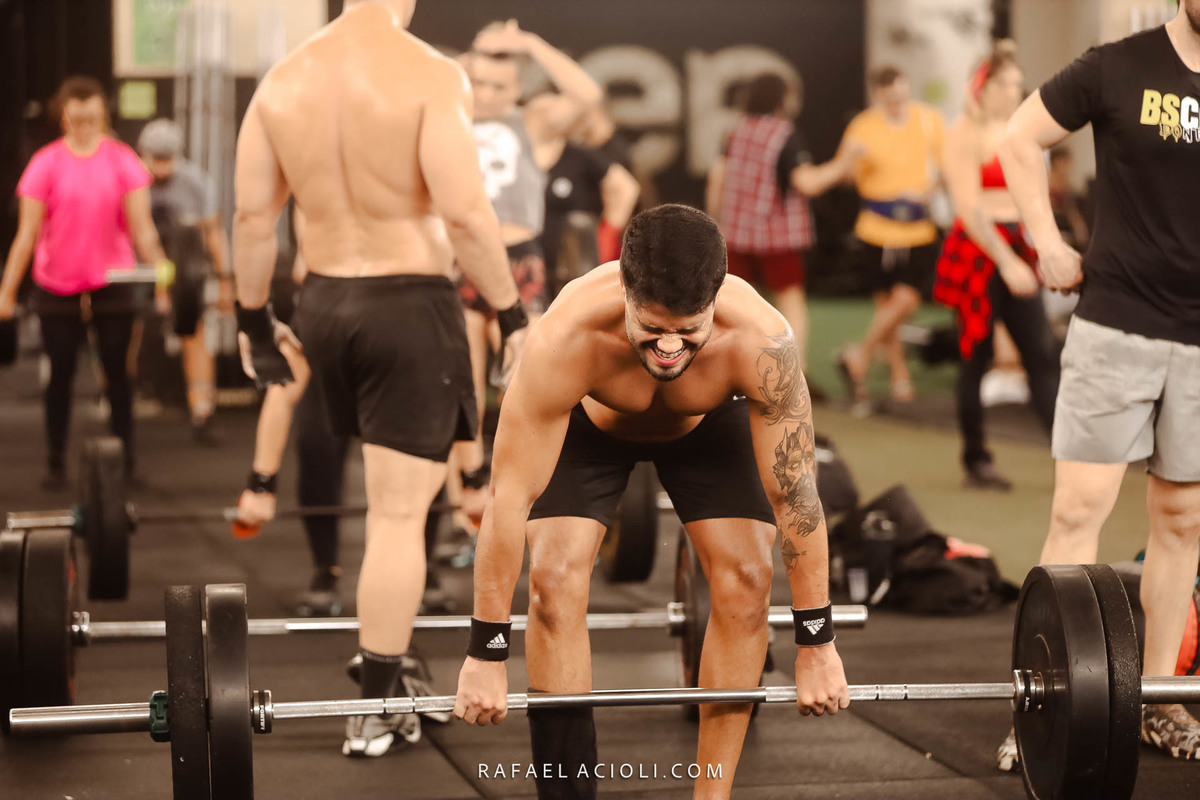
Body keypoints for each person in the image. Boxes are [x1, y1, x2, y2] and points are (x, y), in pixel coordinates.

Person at [453, 205, 850, 800]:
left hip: (707, 423)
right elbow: (507, 500)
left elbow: (797, 496)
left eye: (688, 330)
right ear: (625, 289)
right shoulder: (564, 339)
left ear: (715, 298)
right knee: (553, 582)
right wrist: (486, 651)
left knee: (748, 578)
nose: (668, 347)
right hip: (588, 426)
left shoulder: (761, 343)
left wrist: (817, 641)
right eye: (651, 327)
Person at [230, 0, 526, 758]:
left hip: (324, 302)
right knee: (397, 515)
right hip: (407, 305)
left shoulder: (283, 79)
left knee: (396, 502)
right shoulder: (430, 73)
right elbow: (465, 214)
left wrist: (254, 322)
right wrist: (512, 315)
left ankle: (389, 658)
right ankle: (374, 704)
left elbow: (253, 220)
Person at [997, 1, 1200, 766]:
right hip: (1117, 325)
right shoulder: (1119, 66)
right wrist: (1046, 244)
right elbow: (1019, 138)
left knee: (1182, 521)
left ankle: (1157, 700)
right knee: (1078, 510)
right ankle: (1040, 704)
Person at [453, 19, 604, 490]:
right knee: (462, 377)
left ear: (517, 88)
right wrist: (476, 51)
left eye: (498, 86)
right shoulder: (447, 114)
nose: (486, 94)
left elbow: (587, 95)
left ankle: (525, 481)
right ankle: (468, 487)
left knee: (528, 374)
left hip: (518, 258)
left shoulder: (531, 122)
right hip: (462, 259)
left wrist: (531, 44)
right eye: (478, 82)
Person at [0, 76, 171, 487]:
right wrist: (6, 293)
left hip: (112, 283)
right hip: (56, 283)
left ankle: (126, 461)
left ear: (102, 116)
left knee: (118, 373)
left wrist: (164, 280)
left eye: (92, 119)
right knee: (59, 374)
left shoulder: (123, 160)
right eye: (76, 120)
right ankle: (56, 462)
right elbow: (26, 234)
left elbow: (143, 229)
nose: (84, 127)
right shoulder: (45, 163)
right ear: (64, 117)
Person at [933, 42, 1059, 491]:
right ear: (981, 88)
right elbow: (968, 209)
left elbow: (1036, 198)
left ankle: (1069, 458)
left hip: (1019, 246)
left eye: (1015, 83)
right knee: (976, 357)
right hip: (979, 251)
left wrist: (1048, 247)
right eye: (1002, 83)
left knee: (1041, 355)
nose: (1012, 92)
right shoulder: (963, 133)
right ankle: (976, 461)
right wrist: (1006, 262)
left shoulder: (1022, 129)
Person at [707, 72, 859, 395]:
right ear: (781, 98)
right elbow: (807, 183)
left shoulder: (736, 132)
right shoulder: (784, 133)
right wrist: (843, 164)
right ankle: (796, 373)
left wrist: (716, 220)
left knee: (732, 304)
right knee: (790, 301)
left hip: (737, 233)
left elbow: (717, 178)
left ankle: (727, 372)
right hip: (776, 236)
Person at [835, 66, 945, 415]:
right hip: (876, 228)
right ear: (878, 95)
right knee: (885, 306)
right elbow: (845, 176)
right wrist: (852, 159)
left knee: (906, 300)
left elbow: (944, 169)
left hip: (918, 228)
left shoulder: (928, 120)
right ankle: (899, 376)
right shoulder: (863, 126)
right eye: (889, 96)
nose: (896, 101)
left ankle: (860, 355)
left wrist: (925, 191)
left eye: (901, 94)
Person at [137, 118, 233, 443]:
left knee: (196, 334)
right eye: (156, 159)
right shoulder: (131, 181)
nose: (161, 167)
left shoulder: (196, 182)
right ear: (143, 154)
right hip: (140, 270)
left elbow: (213, 233)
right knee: (125, 332)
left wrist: (225, 281)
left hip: (185, 274)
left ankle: (202, 413)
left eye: (167, 159)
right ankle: (116, 403)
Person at [541, 117, 640, 297]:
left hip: (571, 265)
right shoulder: (513, 154)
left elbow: (627, 189)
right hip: (530, 257)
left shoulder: (579, 156)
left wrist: (606, 237)